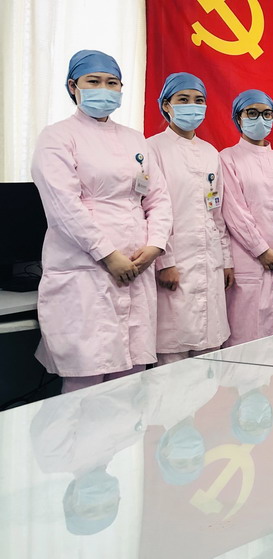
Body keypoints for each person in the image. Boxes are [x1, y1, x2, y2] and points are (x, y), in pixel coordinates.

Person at [31, 50, 172, 393]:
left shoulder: (135, 139)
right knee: (87, 374)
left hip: (137, 264)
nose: (104, 89)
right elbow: (63, 206)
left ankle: (126, 433)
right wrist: (108, 255)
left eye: (112, 83)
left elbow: (158, 198)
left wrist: (155, 246)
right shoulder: (57, 136)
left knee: (132, 373)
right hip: (85, 268)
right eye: (93, 81)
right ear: (73, 86)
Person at [146, 72, 234, 363]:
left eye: (198, 100)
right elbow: (152, 210)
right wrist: (165, 262)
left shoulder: (210, 152)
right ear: (166, 105)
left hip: (209, 260)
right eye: (183, 99)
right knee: (173, 349)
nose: (192, 106)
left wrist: (226, 260)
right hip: (175, 262)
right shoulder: (152, 148)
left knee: (209, 349)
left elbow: (216, 212)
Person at [219, 89, 273, 346]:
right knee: (247, 337)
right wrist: (261, 250)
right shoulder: (227, 158)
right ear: (238, 118)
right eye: (252, 113)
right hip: (249, 261)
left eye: (267, 114)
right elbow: (235, 212)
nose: (260, 119)